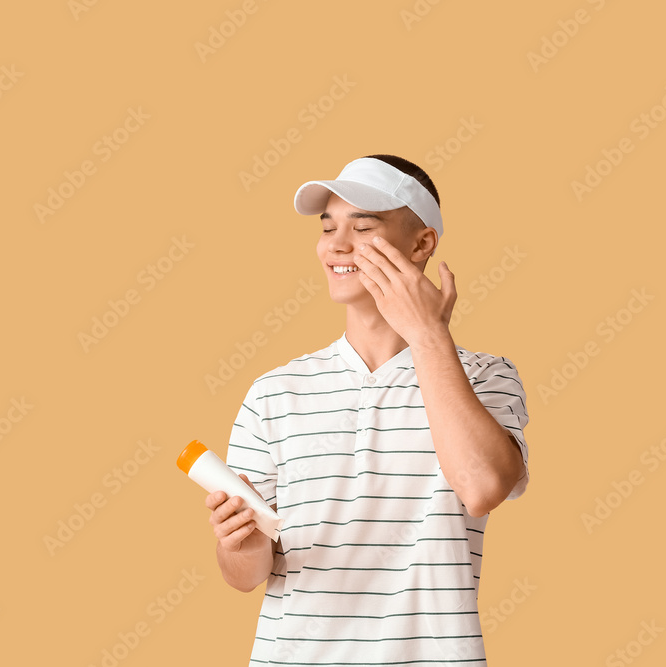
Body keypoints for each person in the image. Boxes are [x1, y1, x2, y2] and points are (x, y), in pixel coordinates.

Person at [204, 154, 530, 666]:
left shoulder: (487, 377)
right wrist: (236, 542)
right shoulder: (274, 393)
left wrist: (428, 335)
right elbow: (246, 577)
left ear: (422, 244)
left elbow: (483, 487)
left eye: (363, 227)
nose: (336, 245)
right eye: (328, 227)